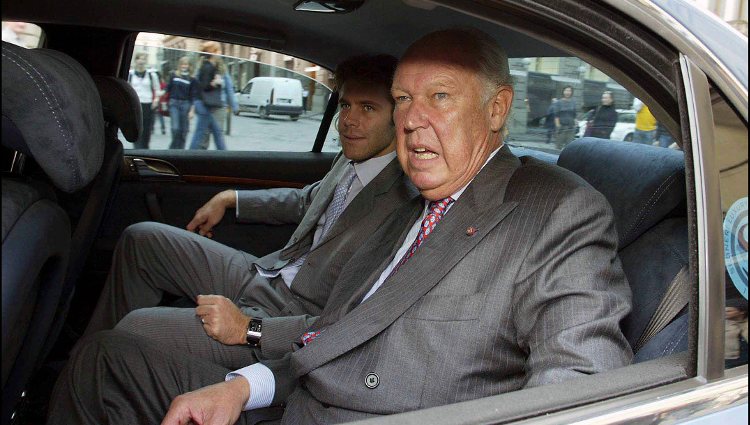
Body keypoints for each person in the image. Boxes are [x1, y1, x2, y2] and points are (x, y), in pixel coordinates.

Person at [48, 29, 632, 425]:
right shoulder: (414, 203)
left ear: (497, 108)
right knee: (105, 358)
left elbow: (582, 389)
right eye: (403, 99)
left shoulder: (556, 211)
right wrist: (241, 387)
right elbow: (338, 330)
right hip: (300, 390)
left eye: (440, 97)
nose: (413, 120)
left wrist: (249, 335)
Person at [72, 52, 414, 364]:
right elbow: (307, 200)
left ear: (398, 116)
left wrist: (249, 327)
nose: (348, 121)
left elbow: (345, 324)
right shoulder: (351, 157)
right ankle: (82, 363)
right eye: (345, 105)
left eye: (368, 108)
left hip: (287, 316)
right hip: (267, 275)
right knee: (141, 241)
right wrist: (230, 198)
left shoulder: (405, 200)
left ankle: (100, 363)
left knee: (135, 329)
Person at [189, 41, 228, 150]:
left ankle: (224, 154)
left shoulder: (210, 66)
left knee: (215, 132)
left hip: (204, 104)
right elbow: (203, 87)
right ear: (213, 52)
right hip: (203, 104)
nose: (220, 53)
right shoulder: (207, 67)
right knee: (202, 132)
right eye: (218, 50)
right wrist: (215, 83)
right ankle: (190, 155)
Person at [195, 61, 240, 149]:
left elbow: (229, 89)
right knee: (204, 134)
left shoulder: (223, 73)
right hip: (205, 105)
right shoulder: (202, 69)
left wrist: (235, 106)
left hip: (219, 107)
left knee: (218, 133)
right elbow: (197, 86)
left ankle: (221, 156)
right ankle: (200, 156)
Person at [128, 52, 161, 149]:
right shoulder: (130, 74)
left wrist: (156, 99)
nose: (141, 61)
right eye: (139, 59)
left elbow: (157, 89)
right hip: (135, 105)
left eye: (143, 59)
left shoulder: (152, 75)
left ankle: (145, 149)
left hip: (148, 105)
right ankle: (138, 149)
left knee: (146, 130)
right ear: (136, 60)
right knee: (136, 128)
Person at [166, 56, 198, 149]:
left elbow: (193, 96)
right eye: (182, 64)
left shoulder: (192, 79)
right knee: (175, 128)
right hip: (174, 104)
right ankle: (172, 148)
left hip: (185, 105)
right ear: (179, 65)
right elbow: (168, 89)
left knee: (184, 130)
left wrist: (192, 110)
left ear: (189, 66)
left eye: (186, 64)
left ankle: (180, 150)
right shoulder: (174, 75)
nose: (184, 66)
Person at [725, 298, 748, 369]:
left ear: (741, 312)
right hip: (731, 360)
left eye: (729, 311)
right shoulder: (722, 325)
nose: (726, 313)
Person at [553, 85, 578, 150]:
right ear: (563, 91)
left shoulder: (573, 102)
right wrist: (558, 126)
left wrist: (575, 124)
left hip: (571, 128)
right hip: (562, 127)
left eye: (569, 91)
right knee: (558, 147)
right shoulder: (559, 102)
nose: (568, 92)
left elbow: (574, 115)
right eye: (566, 90)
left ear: (571, 92)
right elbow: (556, 116)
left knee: (569, 147)